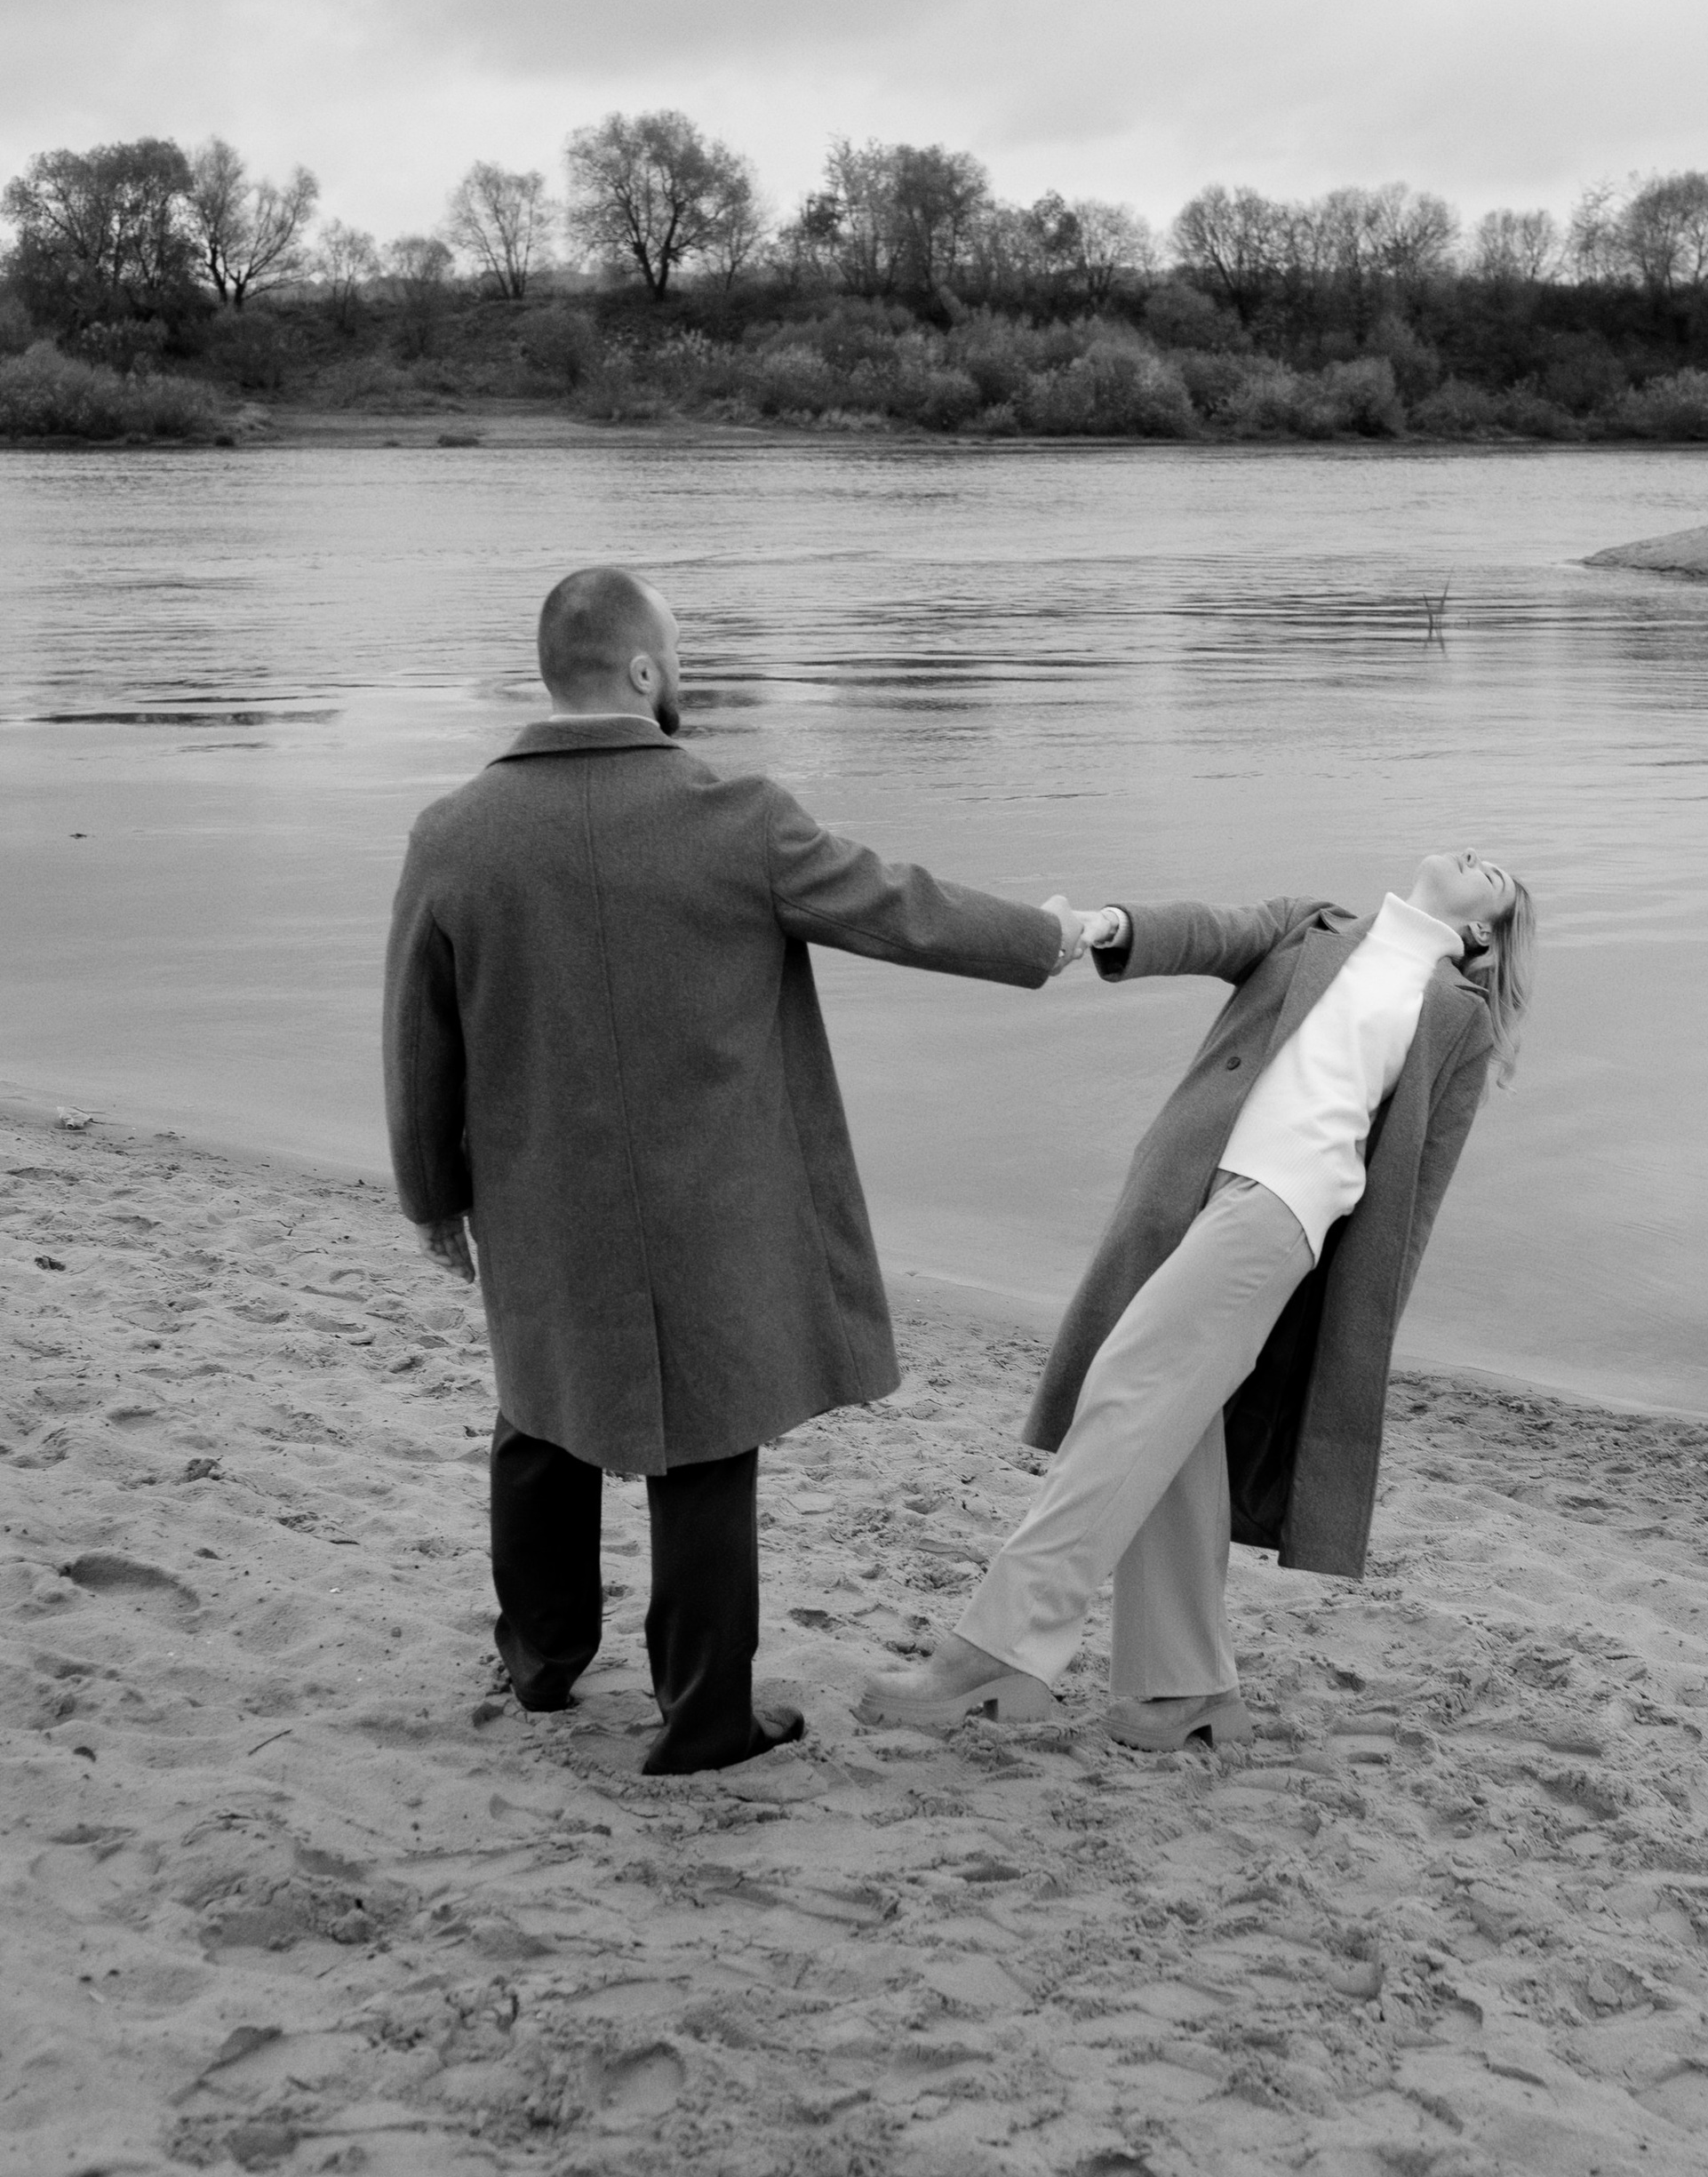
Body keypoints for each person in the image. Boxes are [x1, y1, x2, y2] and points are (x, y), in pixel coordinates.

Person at [383, 563, 1089, 1776]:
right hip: (705, 1209)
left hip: (541, 1195)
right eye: (682, 652)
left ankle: (542, 1662)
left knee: (540, 1414)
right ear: (645, 670)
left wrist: (431, 1193)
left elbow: (418, 1036)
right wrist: (1052, 935)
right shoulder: (740, 817)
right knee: (703, 1451)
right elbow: (902, 909)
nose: (687, 673)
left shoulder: (454, 834)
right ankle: (703, 1716)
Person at [858, 851, 1533, 1750]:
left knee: (1129, 1391)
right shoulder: (1314, 925)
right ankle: (1180, 1689)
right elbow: (1209, 929)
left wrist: (1357, 1334)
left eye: (1495, 874)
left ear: (1482, 929)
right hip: (1188, 1194)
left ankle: (996, 1644)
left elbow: (1417, 1192)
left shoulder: (1458, 1016)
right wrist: (1103, 924)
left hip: (1286, 1206)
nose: (1476, 856)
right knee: (1172, 1430)